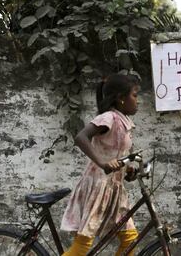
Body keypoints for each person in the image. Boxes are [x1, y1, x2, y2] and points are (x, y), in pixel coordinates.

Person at [60, 74, 141, 256]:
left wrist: (128, 171)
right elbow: (81, 137)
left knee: (130, 239)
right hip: (98, 186)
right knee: (83, 244)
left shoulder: (123, 122)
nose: (138, 101)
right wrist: (102, 162)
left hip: (114, 189)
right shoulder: (109, 118)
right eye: (134, 95)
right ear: (121, 98)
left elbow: (117, 153)